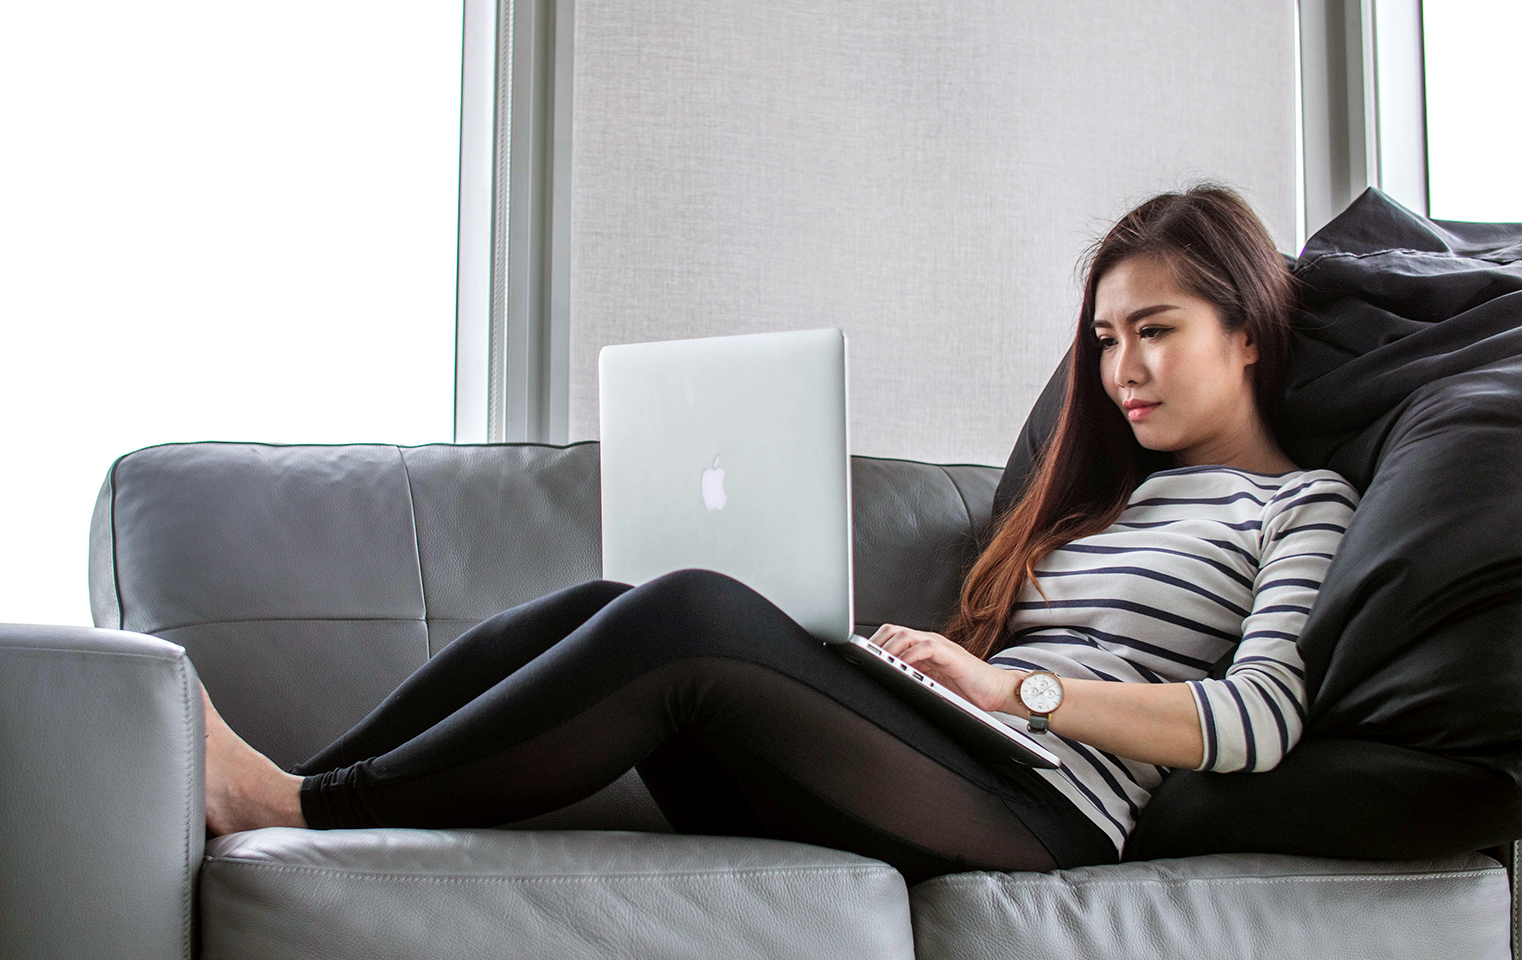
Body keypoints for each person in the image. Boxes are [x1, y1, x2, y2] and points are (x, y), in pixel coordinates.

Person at [203, 184, 1359, 881]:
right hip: (957, 759)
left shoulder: (1301, 504)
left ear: (1248, 331)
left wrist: (1015, 692)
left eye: (1153, 330)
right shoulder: (1107, 497)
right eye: (1103, 340)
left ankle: (299, 809)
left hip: (1049, 814)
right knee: (617, 604)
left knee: (691, 614)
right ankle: (302, 792)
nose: (1119, 370)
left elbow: (1259, 722)